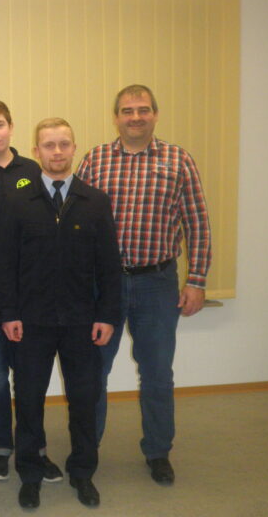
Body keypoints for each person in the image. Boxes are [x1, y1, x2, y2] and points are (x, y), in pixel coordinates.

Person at [77, 84, 212, 485]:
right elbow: (74, 223)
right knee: (93, 370)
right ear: (115, 117)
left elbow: (198, 224)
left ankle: (158, 451)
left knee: (157, 373)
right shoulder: (95, 160)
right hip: (104, 285)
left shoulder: (178, 160)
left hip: (157, 283)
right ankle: (87, 447)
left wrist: (197, 280)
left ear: (155, 114)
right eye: (127, 110)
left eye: (143, 109)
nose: (135, 117)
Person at [0, 118, 121, 509]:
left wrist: (107, 316)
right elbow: (5, 265)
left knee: (84, 399)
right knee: (29, 400)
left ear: (74, 148)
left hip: (82, 321)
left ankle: (82, 472)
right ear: (36, 151)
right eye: (48, 145)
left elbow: (109, 266)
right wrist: (8, 313)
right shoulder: (18, 202)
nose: (56, 152)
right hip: (30, 322)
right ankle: (30, 473)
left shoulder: (95, 201)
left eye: (64, 144)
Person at [0, 100, 63, 483]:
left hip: (27, 293)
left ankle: (36, 448)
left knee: (30, 375)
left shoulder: (34, 170)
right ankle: (0, 447)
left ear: (11, 127)